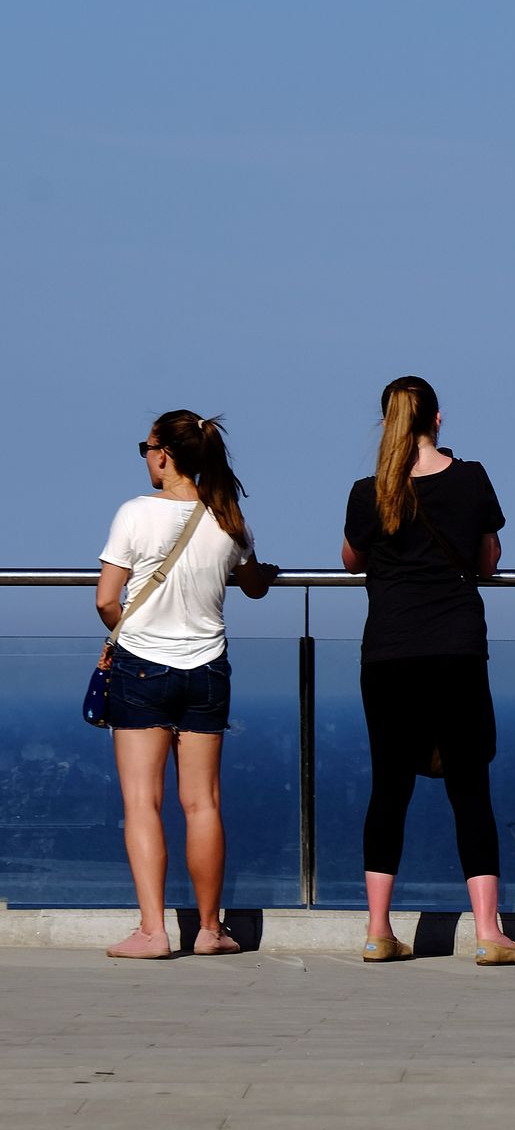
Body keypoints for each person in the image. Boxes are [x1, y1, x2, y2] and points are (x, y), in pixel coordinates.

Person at [343, 376, 515, 965]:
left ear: (385, 424)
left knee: (388, 790)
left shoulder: (368, 490)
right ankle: (488, 933)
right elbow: (488, 558)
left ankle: (379, 930)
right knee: (470, 791)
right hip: (455, 648)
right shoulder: (472, 478)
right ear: (439, 419)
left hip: (389, 652)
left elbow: (351, 561)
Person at [96, 411, 278, 959]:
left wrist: (129, 634)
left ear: (163, 453)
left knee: (142, 803)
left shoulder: (135, 514)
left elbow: (107, 599)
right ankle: (209, 929)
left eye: (146, 448)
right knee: (202, 804)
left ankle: (153, 933)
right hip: (207, 668)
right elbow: (253, 587)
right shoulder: (227, 516)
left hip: (141, 669)